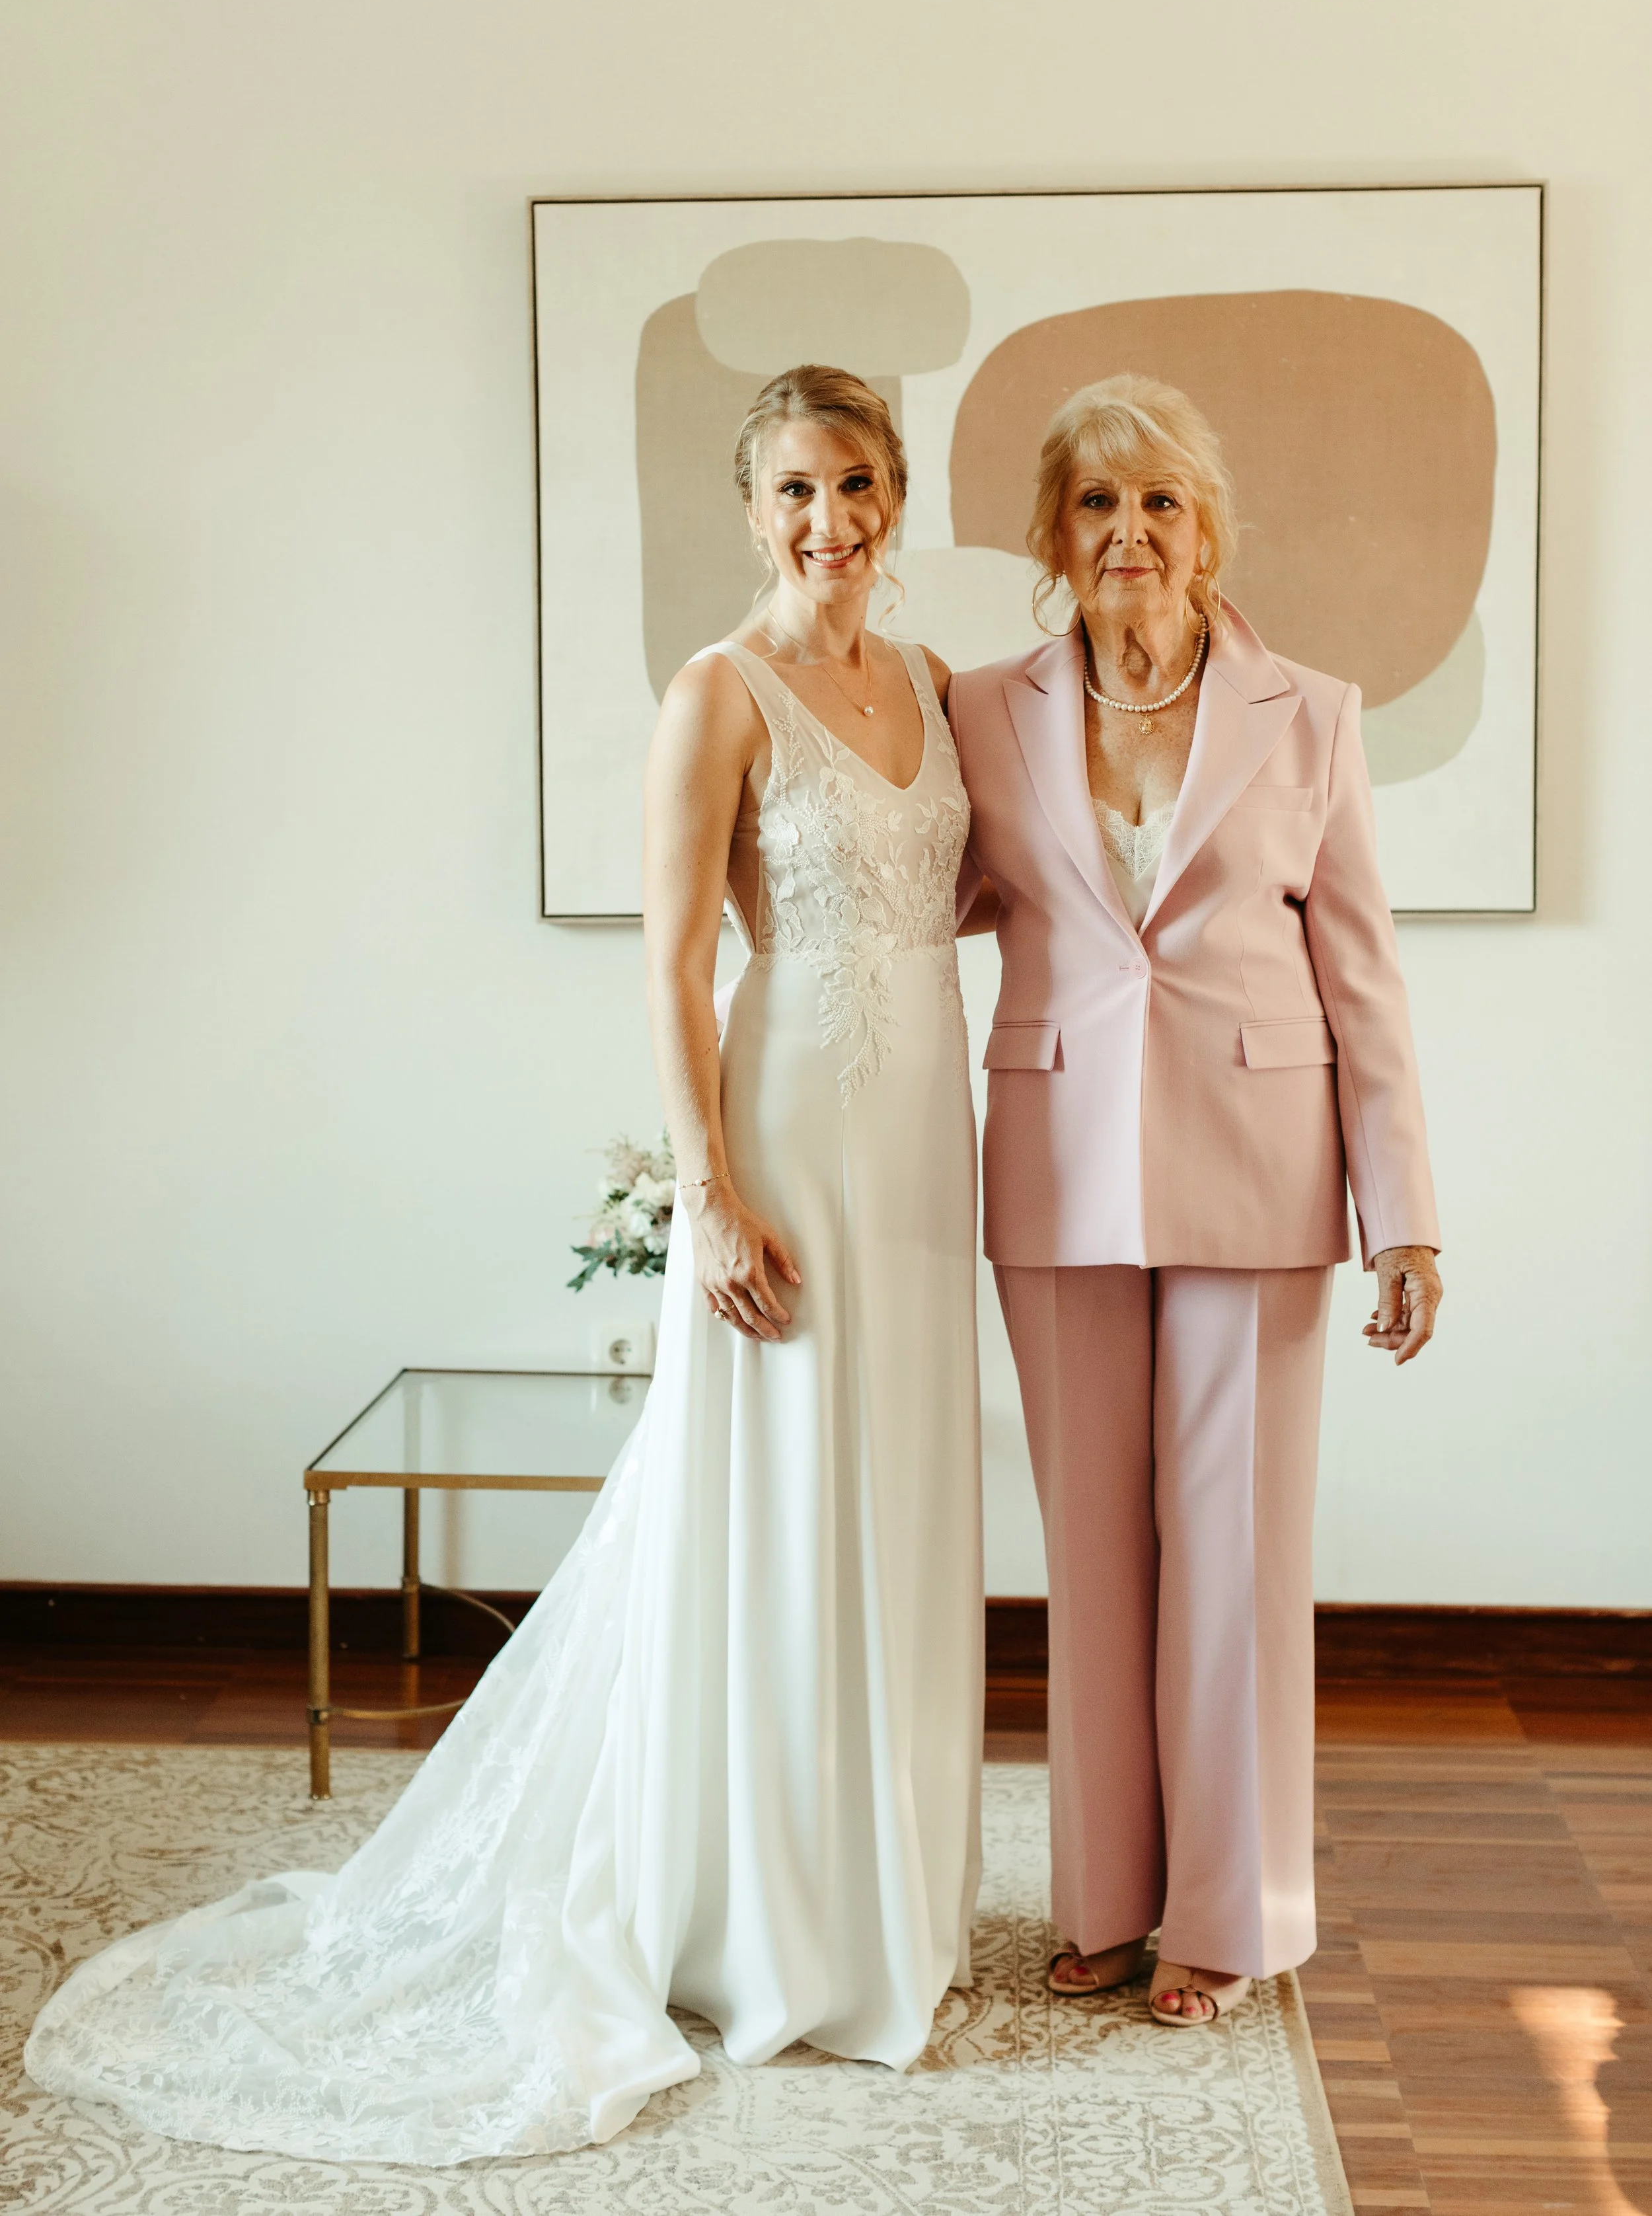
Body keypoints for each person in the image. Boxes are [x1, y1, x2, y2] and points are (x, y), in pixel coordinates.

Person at [25, 365, 983, 2162]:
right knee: (775, 1498)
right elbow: (671, 959)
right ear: (751, 508)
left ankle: (884, 1904)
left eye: (855, 482)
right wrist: (709, 1189)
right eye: (793, 488)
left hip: (931, 1140)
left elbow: (962, 894)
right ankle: (759, 1918)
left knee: (902, 1490)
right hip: (790, 1128)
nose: (828, 519)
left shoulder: (934, 685)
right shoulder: (717, 692)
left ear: (898, 494)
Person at [950, 374, 1441, 2030]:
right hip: (1056, 1162)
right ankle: (1104, 1902)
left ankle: (1227, 1917)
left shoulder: (1310, 713)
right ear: (1051, 533)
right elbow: (912, 898)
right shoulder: (979, 710)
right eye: (1095, 503)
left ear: (1206, 525)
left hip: (1259, 1162)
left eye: (1158, 501)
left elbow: (1361, 979)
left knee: (1233, 1553)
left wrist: (1403, 1212)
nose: (1129, 532)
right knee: (1089, 1548)